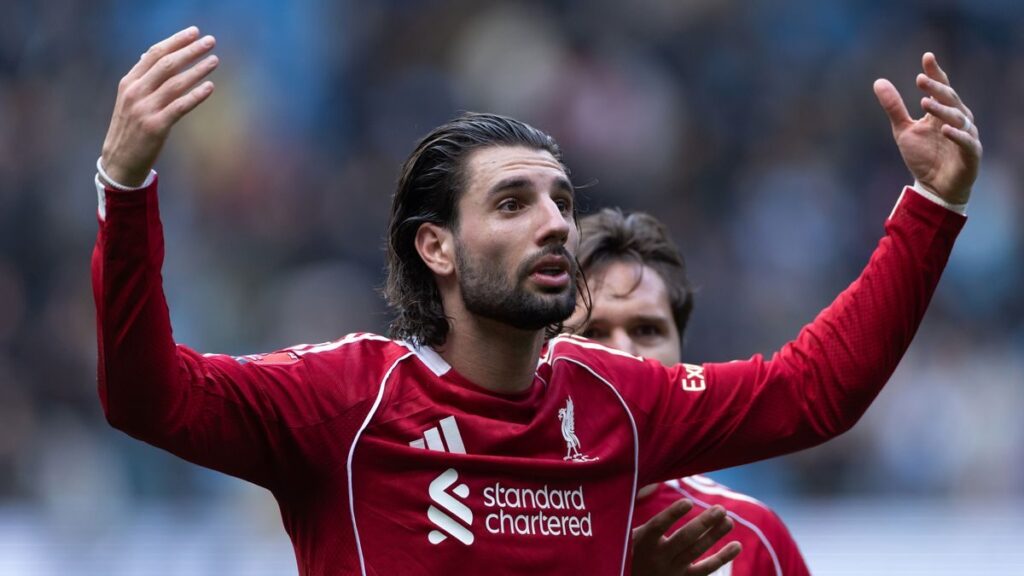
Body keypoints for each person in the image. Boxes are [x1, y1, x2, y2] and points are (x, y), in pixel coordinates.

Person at [92, 26, 980, 576]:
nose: (555, 223)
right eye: (514, 204)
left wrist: (931, 206)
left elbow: (812, 392)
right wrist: (125, 189)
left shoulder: (614, 401)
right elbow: (145, 398)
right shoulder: (343, 402)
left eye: (560, 200)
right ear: (436, 247)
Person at [571, 208, 812, 575]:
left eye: (646, 330)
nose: (624, 353)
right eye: (593, 333)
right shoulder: (501, 514)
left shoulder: (750, 537)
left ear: (681, 351)